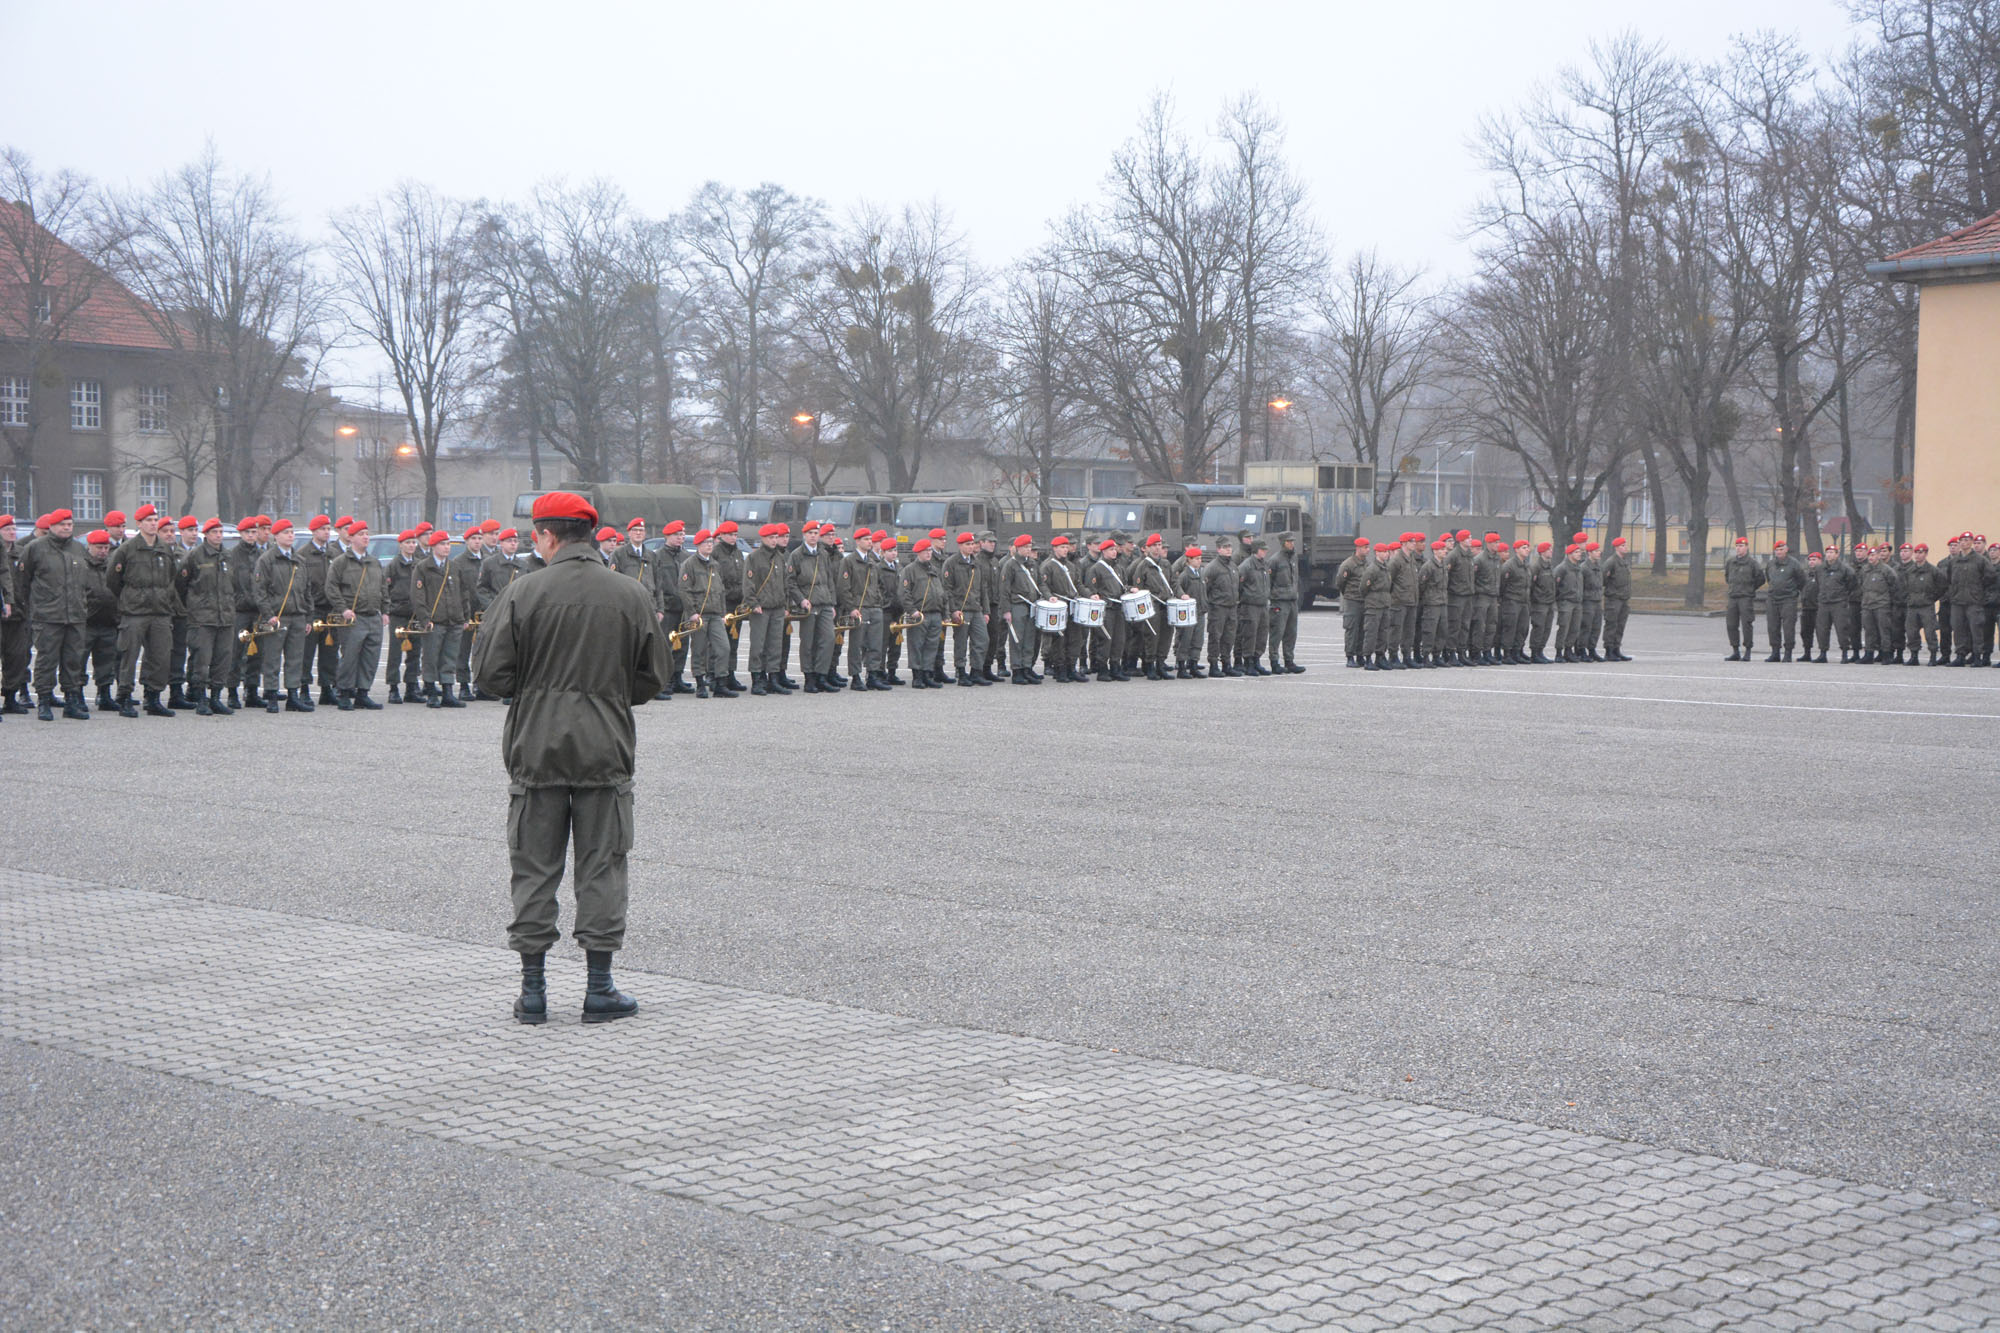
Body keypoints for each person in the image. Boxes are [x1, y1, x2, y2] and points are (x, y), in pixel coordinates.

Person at [472, 490, 669, 1026]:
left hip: (536, 749)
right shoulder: (629, 593)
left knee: (534, 867)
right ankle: (599, 988)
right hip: (605, 748)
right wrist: (607, 692)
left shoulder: (522, 591)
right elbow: (654, 677)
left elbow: (489, 674)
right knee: (602, 865)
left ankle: (533, 991)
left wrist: (534, 691)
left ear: (548, 536)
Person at [19, 509, 92, 719]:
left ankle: (71, 701)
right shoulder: (35, 548)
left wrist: (82, 603)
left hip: (76, 615)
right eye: (62, 524)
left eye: (69, 524)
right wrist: (34, 606)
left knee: (73, 660)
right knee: (46, 660)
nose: (67, 528)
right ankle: (43, 700)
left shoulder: (79, 548)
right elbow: (23, 581)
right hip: (47, 615)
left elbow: (85, 582)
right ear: (51, 527)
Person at [177, 518, 239, 716]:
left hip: (225, 617)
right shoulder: (195, 556)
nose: (218, 536)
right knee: (202, 659)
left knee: (223, 658)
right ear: (206, 535)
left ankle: (215, 697)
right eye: (214, 532)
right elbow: (181, 585)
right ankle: (201, 697)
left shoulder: (227, 556)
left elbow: (233, 585)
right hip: (202, 618)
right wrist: (193, 607)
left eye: (221, 532)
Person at [326, 519, 387, 709]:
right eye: (361, 534)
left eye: (367, 534)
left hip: (373, 616)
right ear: (351, 538)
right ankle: (344, 692)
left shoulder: (374, 563)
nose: (366, 537)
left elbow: (383, 588)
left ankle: (363, 693)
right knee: (350, 656)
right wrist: (343, 609)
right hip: (354, 617)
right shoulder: (341, 562)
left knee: (370, 657)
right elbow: (331, 587)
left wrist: (385, 611)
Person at [411, 529, 469, 708]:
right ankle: (431, 692)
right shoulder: (423, 567)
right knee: (431, 656)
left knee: (450, 656)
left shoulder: (454, 567)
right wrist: (424, 618)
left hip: (454, 619)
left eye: (448, 544)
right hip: (434, 621)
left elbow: (463, 592)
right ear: (433, 546)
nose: (446, 547)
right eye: (442, 544)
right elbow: (417, 595)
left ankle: (448, 692)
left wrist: (464, 616)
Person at [678, 529, 734, 698]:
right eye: (706, 543)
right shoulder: (689, 564)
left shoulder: (715, 565)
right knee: (699, 650)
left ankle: (720, 683)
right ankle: (700, 683)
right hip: (699, 615)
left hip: (716, 614)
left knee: (723, 648)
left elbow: (720, 590)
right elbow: (684, 590)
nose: (709, 545)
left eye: (711, 542)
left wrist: (724, 613)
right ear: (698, 545)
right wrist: (692, 612)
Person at [789, 521, 841, 692]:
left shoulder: (823, 554)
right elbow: (790, 582)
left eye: (816, 533)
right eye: (810, 533)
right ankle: (809, 678)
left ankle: (821, 675)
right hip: (809, 605)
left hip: (825, 602)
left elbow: (829, 580)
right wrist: (801, 599)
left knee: (828, 639)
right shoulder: (797, 555)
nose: (813, 536)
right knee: (808, 642)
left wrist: (832, 602)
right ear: (804, 534)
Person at [383, 529, 423, 703]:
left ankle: (412, 686)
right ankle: (393, 687)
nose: (411, 546)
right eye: (408, 542)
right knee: (395, 652)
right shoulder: (393, 566)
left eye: (414, 542)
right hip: (399, 613)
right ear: (401, 545)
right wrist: (388, 608)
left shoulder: (419, 565)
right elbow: (385, 589)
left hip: (415, 614)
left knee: (415, 651)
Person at [1762, 538, 1808, 662]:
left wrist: (1793, 592)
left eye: (1781, 549)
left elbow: (1802, 580)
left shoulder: (1794, 564)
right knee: (1773, 626)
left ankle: (1788, 653)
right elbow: (1769, 578)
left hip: (1788, 599)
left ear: (1786, 550)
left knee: (1788, 627)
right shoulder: (1771, 564)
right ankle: (1775, 652)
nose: (1779, 552)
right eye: (1777, 550)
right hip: (1773, 599)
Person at [1721, 536, 1763, 661]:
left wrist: (1750, 588)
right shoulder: (1730, 562)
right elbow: (1728, 577)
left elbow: (1760, 578)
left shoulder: (1752, 563)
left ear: (1747, 547)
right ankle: (1735, 650)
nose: (1739, 548)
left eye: (1742, 546)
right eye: (1737, 546)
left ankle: (1748, 650)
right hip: (1733, 597)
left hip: (1746, 597)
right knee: (1731, 624)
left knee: (1746, 624)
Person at [1202, 536, 1239, 677]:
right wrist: (1209, 605)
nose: (1228, 549)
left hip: (1232, 607)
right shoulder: (1212, 567)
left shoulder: (1233, 566)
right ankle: (1213, 665)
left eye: (1229, 546)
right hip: (1218, 608)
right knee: (1215, 637)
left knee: (1229, 637)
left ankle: (1226, 664)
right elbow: (1205, 588)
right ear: (1218, 549)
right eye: (1225, 547)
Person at [1335, 538, 1371, 668]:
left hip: (1364, 600)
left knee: (1363, 629)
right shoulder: (1348, 564)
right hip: (1352, 600)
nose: (1368, 550)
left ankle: (1360, 655)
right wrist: (1348, 595)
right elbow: (1340, 582)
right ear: (1358, 548)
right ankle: (1350, 656)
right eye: (1365, 547)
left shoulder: (1366, 563)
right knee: (1351, 628)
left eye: (1368, 547)